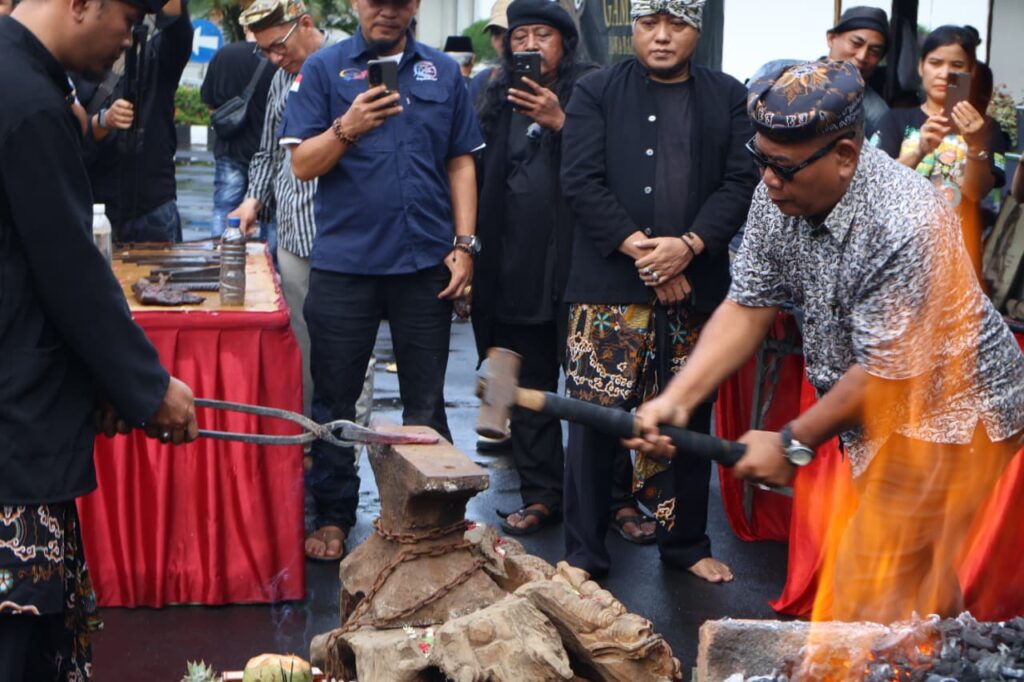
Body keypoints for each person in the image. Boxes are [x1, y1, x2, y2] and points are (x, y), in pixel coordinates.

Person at [629, 60, 1024, 623]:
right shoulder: (776, 192)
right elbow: (748, 306)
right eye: (760, 159)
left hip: (957, 412)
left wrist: (793, 442)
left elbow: (887, 373)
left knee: (869, 580)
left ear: (845, 155)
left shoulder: (906, 220)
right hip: (883, 402)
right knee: (916, 578)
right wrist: (677, 398)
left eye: (784, 168)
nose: (768, 180)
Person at [0, 1, 199, 678]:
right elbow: (68, 269)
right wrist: (146, 389)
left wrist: (104, 386)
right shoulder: (26, 100)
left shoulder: (22, 79)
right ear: (81, 3)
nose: (131, 36)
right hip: (12, 432)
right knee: (18, 645)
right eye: (129, 14)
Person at [559, 0, 757, 581]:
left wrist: (689, 246)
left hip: (695, 286)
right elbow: (580, 180)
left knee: (688, 418)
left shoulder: (728, 95)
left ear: (697, 30)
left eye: (677, 25)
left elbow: (741, 181)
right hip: (606, 290)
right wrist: (651, 254)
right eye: (650, 24)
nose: (663, 37)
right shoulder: (596, 90)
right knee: (595, 420)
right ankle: (583, 555)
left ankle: (686, 545)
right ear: (636, 29)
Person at [281, 0, 482, 560]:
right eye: (375, 1)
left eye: (399, 2)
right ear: (353, 3)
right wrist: (348, 126)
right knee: (335, 405)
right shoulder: (323, 69)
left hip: (425, 265)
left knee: (427, 406)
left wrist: (465, 245)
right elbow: (302, 163)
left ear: (414, 5)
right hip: (346, 265)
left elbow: (461, 160)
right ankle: (333, 516)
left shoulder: (442, 71)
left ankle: (427, 520)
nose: (387, 12)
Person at [231, 0, 375, 562]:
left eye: (277, 44)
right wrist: (252, 200)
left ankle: (339, 494)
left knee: (349, 377)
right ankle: (315, 474)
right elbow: (269, 152)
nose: (273, 56)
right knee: (306, 371)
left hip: (352, 247)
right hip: (293, 242)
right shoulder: (280, 79)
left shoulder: (354, 63)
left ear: (306, 24)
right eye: (263, 49)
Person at [472, 0, 595, 535]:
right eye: (520, 36)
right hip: (515, 270)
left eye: (542, 35)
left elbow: (609, 165)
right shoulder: (492, 97)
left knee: (596, 390)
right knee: (528, 390)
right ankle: (542, 494)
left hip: (583, 270)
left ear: (565, 43)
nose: (529, 46)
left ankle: (609, 500)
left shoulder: (592, 92)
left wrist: (561, 122)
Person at [871, 25, 1005, 279]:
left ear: (972, 71)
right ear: (921, 67)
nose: (945, 73)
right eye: (935, 62)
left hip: (958, 259)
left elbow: (977, 192)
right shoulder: (895, 120)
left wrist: (976, 144)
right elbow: (875, 185)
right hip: (896, 253)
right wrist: (920, 149)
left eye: (957, 65)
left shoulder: (987, 128)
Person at [76, 0, 192, 242]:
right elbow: (66, 130)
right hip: (95, 207)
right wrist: (102, 121)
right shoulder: (77, 56)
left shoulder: (158, 52)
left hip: (151, 206)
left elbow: (176, 24)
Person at [201, 35, 277, 239]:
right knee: (272, 218)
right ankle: (271, 266)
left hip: (230, 150)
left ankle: (222, 257)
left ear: (246, 26)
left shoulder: (224, 54)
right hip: (269, 153)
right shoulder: (279, 58)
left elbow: (209, 102)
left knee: (225, 211)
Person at [825, 5, 889, 136]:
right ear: (831, 39)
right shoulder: (790, 77)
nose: (862, 57)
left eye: (874, 52)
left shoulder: (877, 113)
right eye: (856, 43)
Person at [469, 0, 510, 106]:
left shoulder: (552, 82)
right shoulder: (481, 82)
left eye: (508, 33)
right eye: (496, 33)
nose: (502, 42)